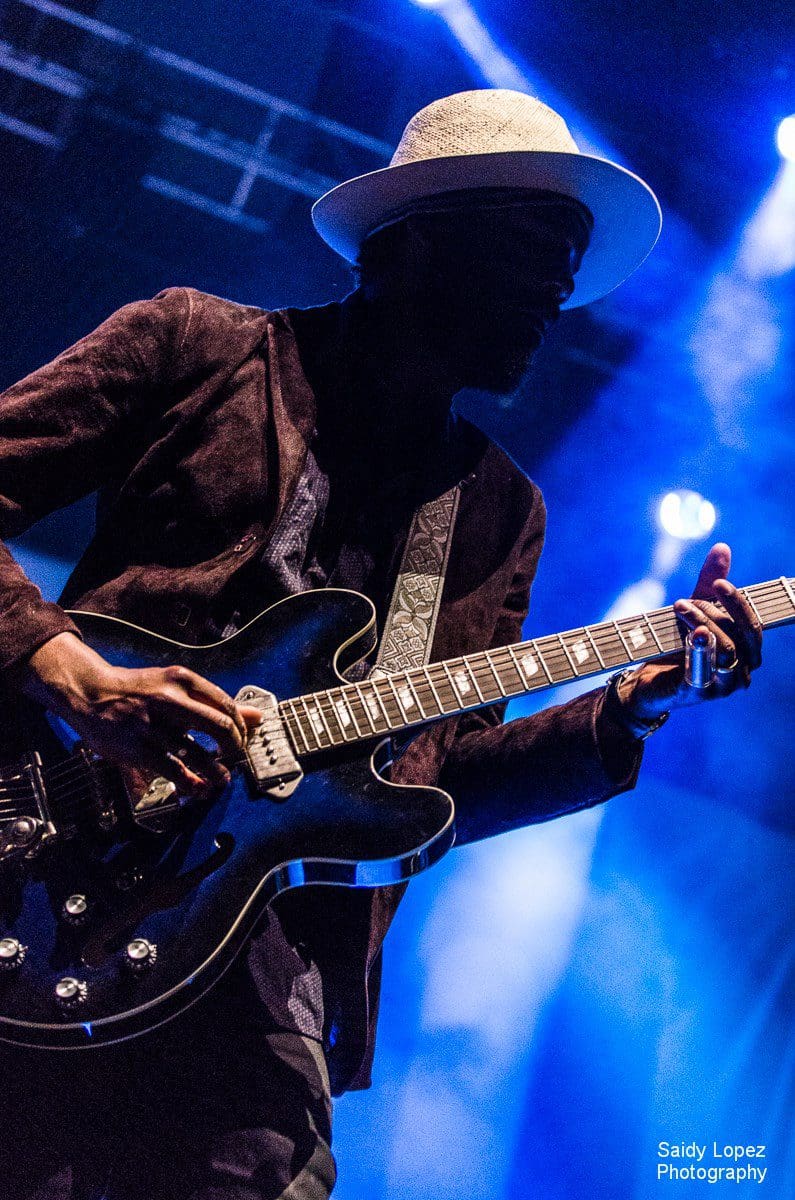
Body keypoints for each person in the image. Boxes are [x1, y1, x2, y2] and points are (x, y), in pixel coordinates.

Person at [0, 90, 762, 1199]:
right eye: (533, 253)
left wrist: (628, 708)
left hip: (269, 972)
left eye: (568, 268)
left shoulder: (498, 510)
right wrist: (68, 673)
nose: (555, 295)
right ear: (413, 244)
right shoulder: (197, 347)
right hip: (40, 861)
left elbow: (437, 785)